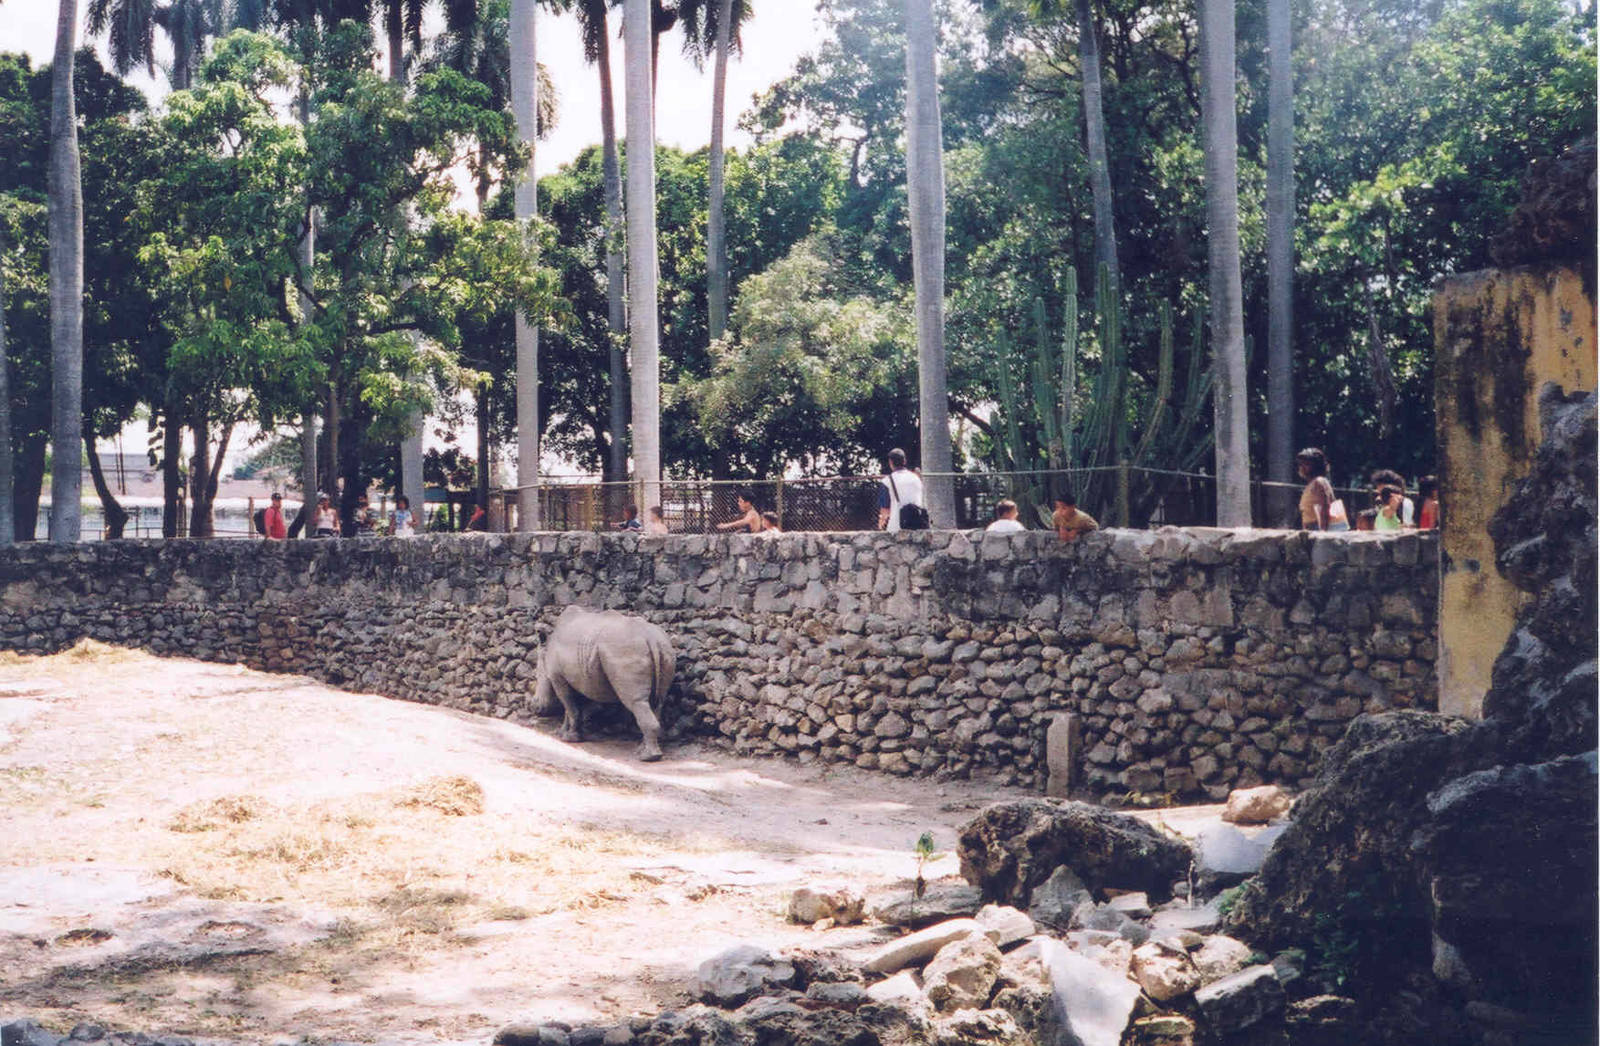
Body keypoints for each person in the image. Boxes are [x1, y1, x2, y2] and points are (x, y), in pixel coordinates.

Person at [1295, 448, 1348, 531]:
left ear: (1316, 466)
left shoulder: (1319, 482)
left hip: (1319, 528)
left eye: (1307, 464)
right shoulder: (1311, 484)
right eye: (1301, 464)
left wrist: (1323, 532)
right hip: (1310, 528)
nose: (1302, 467)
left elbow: (1325, 506)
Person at [877, 448, 927, 531]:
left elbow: (885, 510)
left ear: (890, 462)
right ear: (904, 461)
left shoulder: (887, 481)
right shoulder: (916, 478)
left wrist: (881, 524)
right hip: (918, 526)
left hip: (897, 527)